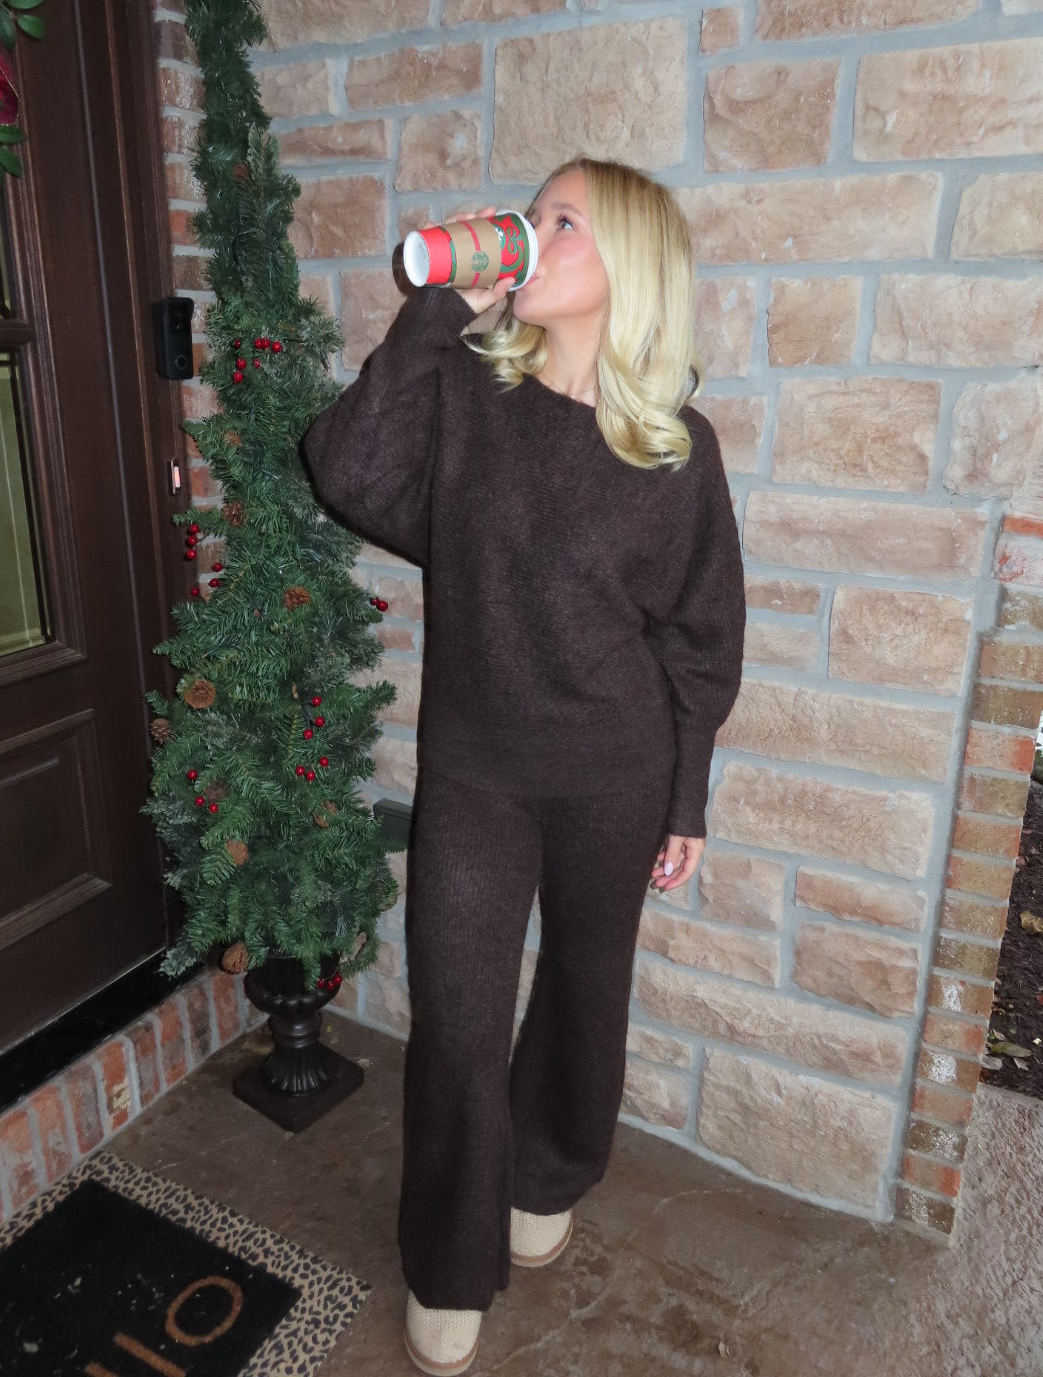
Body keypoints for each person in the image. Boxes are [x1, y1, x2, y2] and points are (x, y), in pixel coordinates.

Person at [303, 157, 746, 1376]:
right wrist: (438, 306)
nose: (532, 233)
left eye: (564, 222)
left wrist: (687, 795)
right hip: (476, 775)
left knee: (584, 994)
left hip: (616, 773)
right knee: (456, 1019)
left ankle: (548, 1171)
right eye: (533, 212)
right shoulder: (465, 394)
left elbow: (701, 641)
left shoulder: (679, 451)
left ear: (629, 268)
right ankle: (450, 1263)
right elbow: (346, 469)